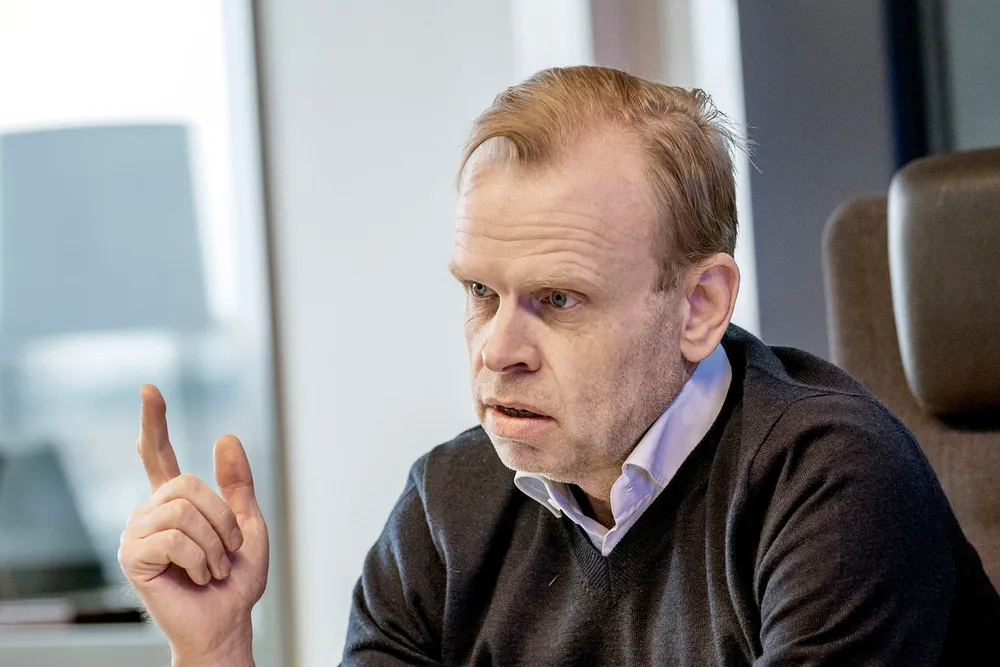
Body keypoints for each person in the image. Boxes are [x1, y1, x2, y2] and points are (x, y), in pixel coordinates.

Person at [119, 66, 1000, 666]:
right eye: (480, 291)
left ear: (699, 306)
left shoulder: (831, 482)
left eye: (558, 299)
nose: (496, 349)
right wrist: (217, 647)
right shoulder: (447, 505)